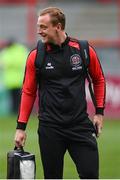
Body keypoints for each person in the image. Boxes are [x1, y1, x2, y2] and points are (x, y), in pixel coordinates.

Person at [14, 7, 106, 179]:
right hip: (50, 128)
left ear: (58, 26)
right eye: (38, 26)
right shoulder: (36, 56)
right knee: (53, 177)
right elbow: (28, 91)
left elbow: (99, 79)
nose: (38, 31)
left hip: (80, 125)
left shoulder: (83, 50)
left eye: (43, 27)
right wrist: (21, 128)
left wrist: (99, 113)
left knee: (90, 174)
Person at [0, 39, 28, 114]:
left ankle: (18, 112)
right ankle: (16, 112)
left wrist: (9, 64)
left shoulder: (9, 51)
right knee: (15, 98)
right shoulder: (20, 50)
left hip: (16, 80)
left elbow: (4, 63)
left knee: (17, 98)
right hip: (14, 80)